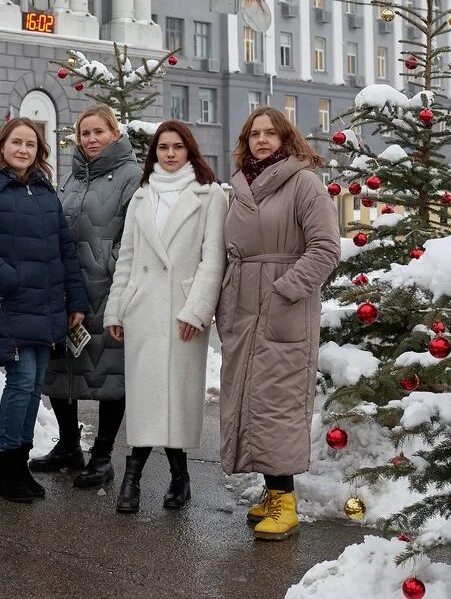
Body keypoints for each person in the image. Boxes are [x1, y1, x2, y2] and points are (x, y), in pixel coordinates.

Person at [219, 106, 340, 540]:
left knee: (278, 402)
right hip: (243, 307)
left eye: (270, 133)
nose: (262, 140)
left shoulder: (304, 183)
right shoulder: (241, 186)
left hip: (285, 307)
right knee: (251, 398)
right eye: (254, 134)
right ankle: (271, 493)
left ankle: (286, 502)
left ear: (286, 138)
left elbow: (326, 247)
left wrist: (286, 288)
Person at [0, 117, 89, 504]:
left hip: (46, 304)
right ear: (2, 146)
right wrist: (8, 278)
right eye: (17, 142)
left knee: (34, 386)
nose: (24, 149)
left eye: (31, 144)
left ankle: (20, 464)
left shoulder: (44, 192)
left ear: (39, 151)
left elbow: (65, 249)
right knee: (21, 382)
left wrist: (75, 300)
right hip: (7, 301)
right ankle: (7, 467)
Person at [102, 120, 226, 512]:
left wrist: (197, 309)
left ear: (190, 150)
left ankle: (178, 477)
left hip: (181, 310)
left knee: (175, 398)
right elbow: (127, 257)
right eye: (162, 148)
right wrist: (117, 307)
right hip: (142, 308)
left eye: (177, 147)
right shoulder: (142, 195)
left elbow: (213, 259)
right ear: (153, 153)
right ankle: (134, 479)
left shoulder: (209, 195)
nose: (169, 154)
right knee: (144, 397)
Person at [32, 105, 141, 489]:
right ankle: (68, 446)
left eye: (98, 132)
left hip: (109, 290)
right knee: (62, 369)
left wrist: (107, 266)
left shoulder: (132, 176)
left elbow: (136, 234)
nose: (91, 140)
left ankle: (102, 455)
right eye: (84, 134)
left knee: (110, 373)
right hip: (68, 289)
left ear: (114, 133)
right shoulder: (71, 179)